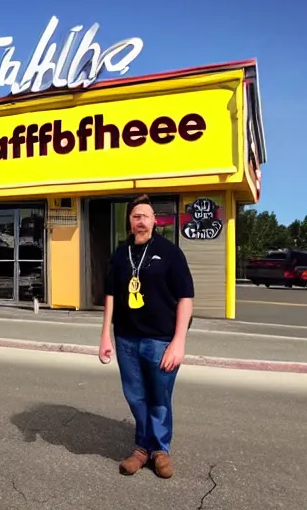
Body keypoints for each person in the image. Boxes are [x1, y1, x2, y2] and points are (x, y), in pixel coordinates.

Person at [99, 194, 194, 479]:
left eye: (145, 216)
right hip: (126, 338)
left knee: (160, 398)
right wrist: (105, 335)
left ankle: (160, 450)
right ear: (129, 222)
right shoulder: (119, 254)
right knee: (135, 396)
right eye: (135, 216)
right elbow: (111, 295)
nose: (140, 221)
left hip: (160, 339)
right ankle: (142, 448)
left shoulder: (170, 252)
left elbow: (185, 298)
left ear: (155, 220)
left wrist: (179, 341)